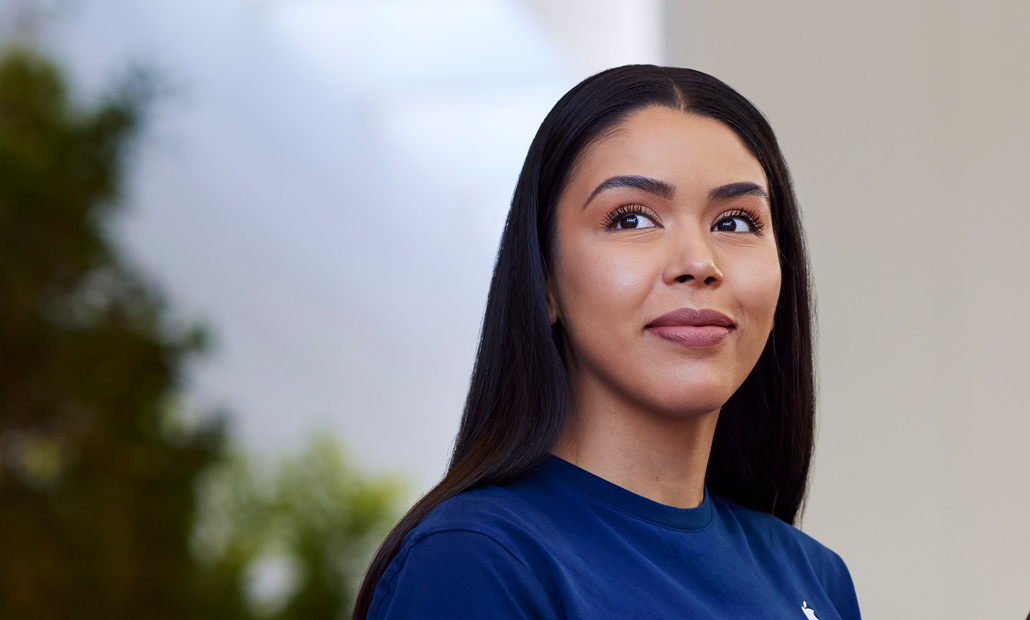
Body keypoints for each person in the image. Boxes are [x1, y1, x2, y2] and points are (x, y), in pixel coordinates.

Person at [352, 65, 861, 620]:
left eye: (736, 222)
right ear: (544, 277)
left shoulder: (815, 577)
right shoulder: (477, 559)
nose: (698, 263)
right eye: (632, 218)